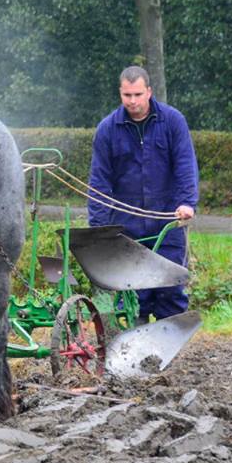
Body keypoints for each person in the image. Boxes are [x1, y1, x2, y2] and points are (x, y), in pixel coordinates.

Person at [87, 65, 199, 321]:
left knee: (169, 291)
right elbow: (99, 184)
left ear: (149, 91)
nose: (133, 101)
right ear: (120, 93)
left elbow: (185, 166)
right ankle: (134, 351)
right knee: (133, 296)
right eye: (128, 95)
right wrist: (99, 229)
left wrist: (187, 203)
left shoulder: (173, 122)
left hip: (167, 223)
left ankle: (165, 349)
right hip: (127, 228)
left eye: (138, 94)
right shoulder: (107, 129)